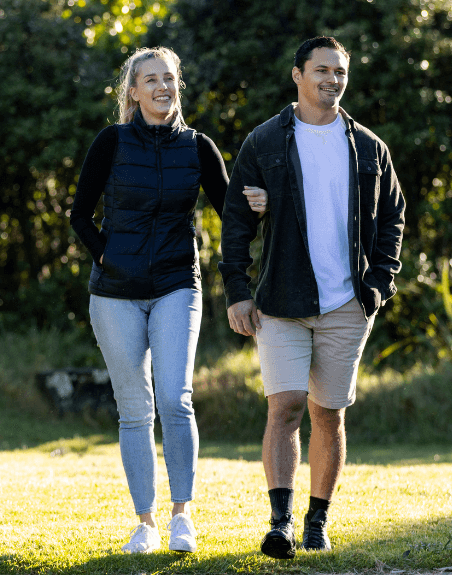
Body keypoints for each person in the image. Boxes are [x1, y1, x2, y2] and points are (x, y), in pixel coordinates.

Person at [70, 46, 267, 554]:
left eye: (169, 79)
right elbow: (79, 216)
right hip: (114, 294)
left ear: (178, 86)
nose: (162, 87)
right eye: (150, 80)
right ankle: (146, 523)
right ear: (133, 91)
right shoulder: (110, 142)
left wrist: (264, 203)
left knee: (176, 399)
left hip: (178, 284)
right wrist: (107, 259)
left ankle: (183, 516)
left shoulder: (199, 147)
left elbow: (234, 217)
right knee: (135, 409)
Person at [218, 36, 405, 559]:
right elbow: (235, 221)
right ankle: (279, 523)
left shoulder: (368, 147)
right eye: (322, 69)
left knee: (329, 414)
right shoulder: (265, 142)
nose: (332, 79)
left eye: (340, 72)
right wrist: (237, 290)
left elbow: (393, 217)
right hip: (280, 300)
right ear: (297, 74)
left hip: (348, 304)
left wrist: (379, 283)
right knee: (285, 408)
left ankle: (317, 520)